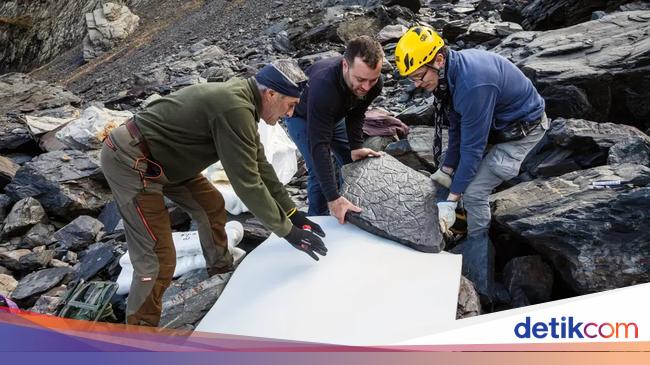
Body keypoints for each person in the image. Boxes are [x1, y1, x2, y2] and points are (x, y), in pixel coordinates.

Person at [100, 59, 327, 327]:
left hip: (167, 159)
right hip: (132, 161)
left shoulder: (244, 104)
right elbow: (247, 183)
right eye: (290, 105)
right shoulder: (234, 107)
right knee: (158, 258)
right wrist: (288, 232)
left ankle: (220, 271)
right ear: (271, 94)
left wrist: (292, 212)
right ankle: (139, 338)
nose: (290, 114)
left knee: (210, 205)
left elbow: (260, 164)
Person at [394, 26, 547, 254]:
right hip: (496, 124)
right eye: (412, 78)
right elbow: (457, 127)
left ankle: (477, 245)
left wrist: (452, 200)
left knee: (474, 191)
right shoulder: (449, 74)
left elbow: (472, 150)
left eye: (418, 76)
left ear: (438, 59)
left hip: (523, 131)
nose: (416, 85)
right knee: (449, 168)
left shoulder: (473, 85)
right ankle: (458, 224)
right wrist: (446, 170)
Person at [285, 35, 385, 223]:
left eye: (372, 80)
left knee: (351, 160)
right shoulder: (324, 85)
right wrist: (332, 197)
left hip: (336, 113)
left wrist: (356, 146)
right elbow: (319, 145)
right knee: (318, 169)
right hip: (303, 116)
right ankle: (318, 219)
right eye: (361, 79)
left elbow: (357, 113)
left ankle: (354, 207)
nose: (366, 87)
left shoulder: (373, 83)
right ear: (345, 66)